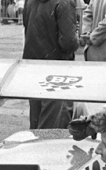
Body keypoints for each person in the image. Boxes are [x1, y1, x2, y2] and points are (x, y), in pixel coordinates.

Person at [22, 0, 79, 129]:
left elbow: (27, 28)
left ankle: (36, 146)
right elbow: (68, 42)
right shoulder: (65, 2)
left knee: (36, 121)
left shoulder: (30, 1)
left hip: (33, 64)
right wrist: (78, 40)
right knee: (53, 123)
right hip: (56, 69)